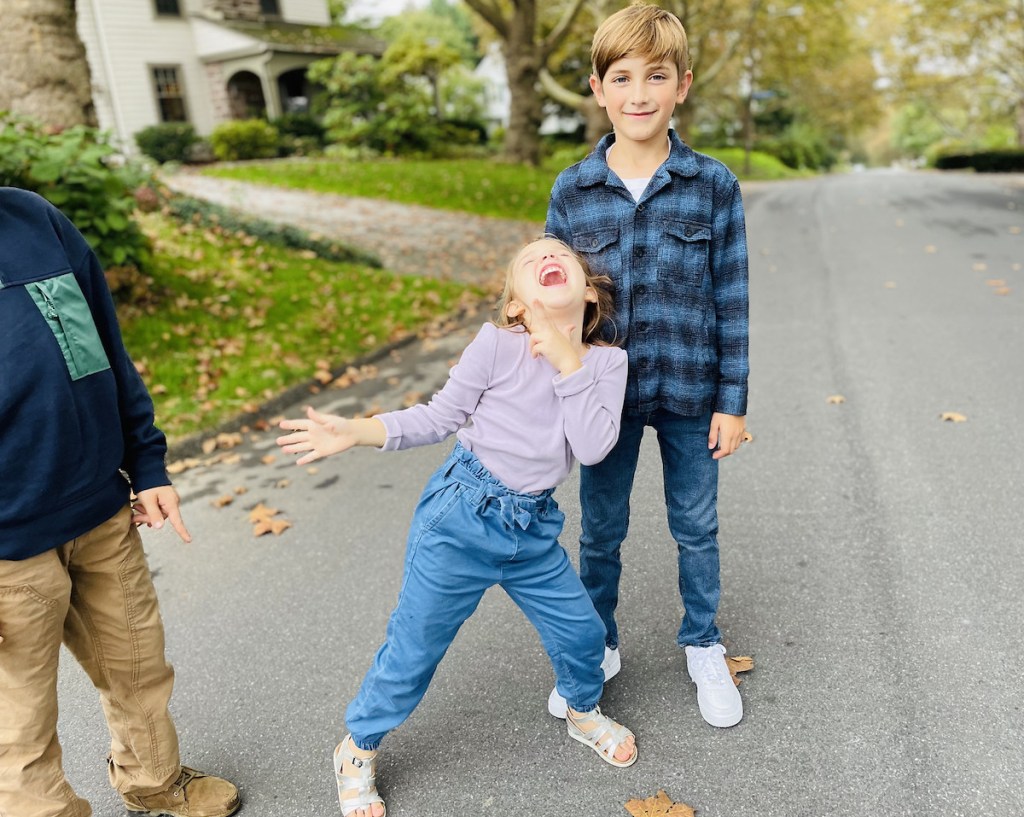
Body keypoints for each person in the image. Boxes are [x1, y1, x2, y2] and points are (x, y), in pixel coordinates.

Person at [276, 237, 636, 817]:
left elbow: (593, 450)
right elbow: (438, 417)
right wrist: (358, 430)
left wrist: (570, 363)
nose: (547, 258)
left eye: (561, 255)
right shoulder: (497, 345)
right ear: (517, 305)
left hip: (533, 527)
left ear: (589, 293)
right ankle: (357, 747)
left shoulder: (607, 364)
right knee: (414, 647)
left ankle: (581, 710)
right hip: (461, 517)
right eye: (529, 259)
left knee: (585, 634)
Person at [0, 186, 240, 817]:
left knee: (138, 666)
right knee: (18, 721)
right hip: (6, 553)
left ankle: (154, 781)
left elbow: (101, 347)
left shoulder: (33, 220)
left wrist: (147, 460)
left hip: (99, 511)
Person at [544, 1, 750, 729]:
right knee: (600, 530)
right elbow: (553, 302)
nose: (639, 93)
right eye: (622, 77)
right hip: (607, 399)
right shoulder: (573, 190)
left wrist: (734, 399)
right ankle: (593, 644)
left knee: (696, 524)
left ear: (682, 84)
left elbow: (732, 293)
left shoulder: (713, 185)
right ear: (599, 89)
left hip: (693, 390)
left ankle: (702, 641)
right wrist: (557, 385)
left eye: (655, 76)